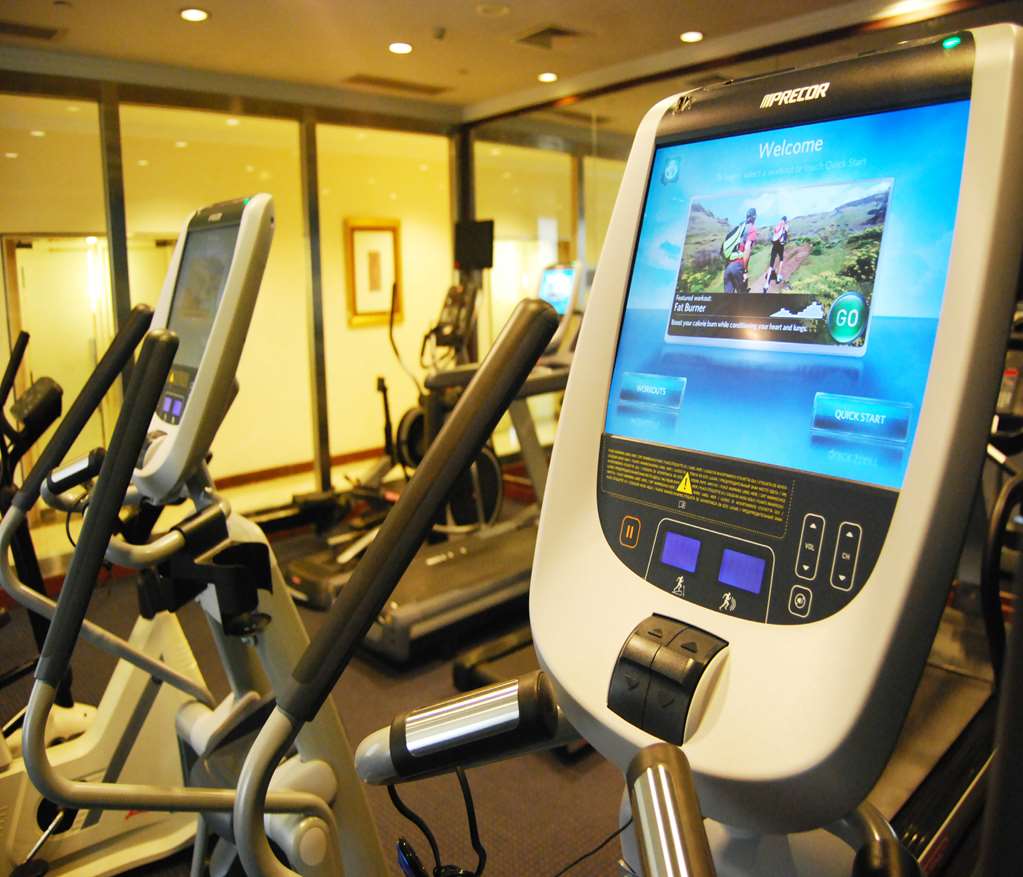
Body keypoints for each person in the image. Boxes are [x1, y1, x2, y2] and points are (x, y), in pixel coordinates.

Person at [723, 207, 758, 294]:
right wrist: (745, 271)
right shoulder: (751, 228)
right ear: (754, 217)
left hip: (728, 268)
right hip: (738, 267)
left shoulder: (739, 228)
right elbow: (747, 249)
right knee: (743, 297)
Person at [763, 214, 790, 293]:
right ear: (785, 220)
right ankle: (778, 277)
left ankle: (766, 284)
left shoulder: (778, 224)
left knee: (771, 265)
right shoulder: (785, 225)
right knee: (781, 260)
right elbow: (786, 235)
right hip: (780, 245)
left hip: (774, 245)